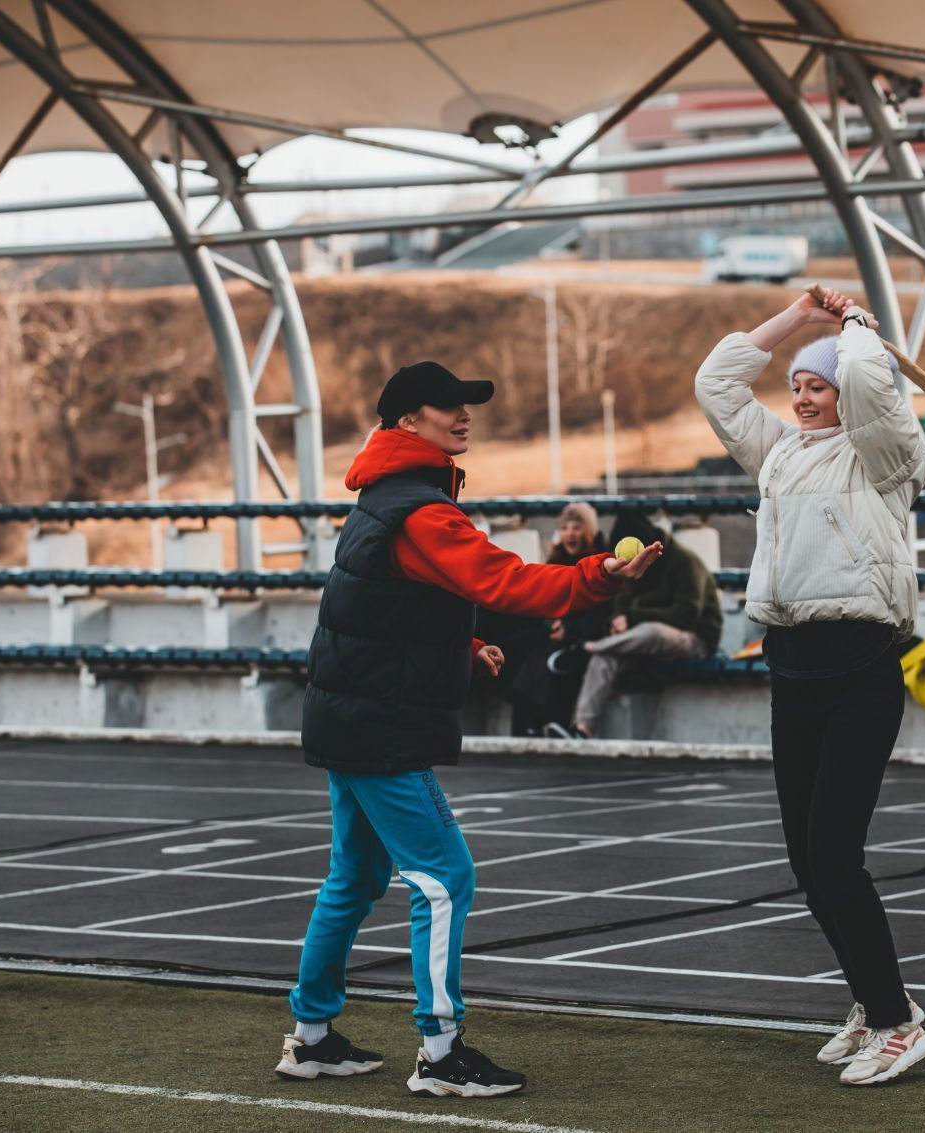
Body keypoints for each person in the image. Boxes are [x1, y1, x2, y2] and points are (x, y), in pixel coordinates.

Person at [278, 360, 662, 1096]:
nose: (463, 415)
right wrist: (600, 577)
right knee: (446, 878)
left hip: (349, 715)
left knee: (354, 878)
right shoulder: (421, 510)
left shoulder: (382, 499)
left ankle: (313, 1037)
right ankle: (441, 1052)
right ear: (406, 421)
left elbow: (380, 607)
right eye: (446, 404)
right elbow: (506, 581)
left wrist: (462, 645)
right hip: (381, 725)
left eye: (467, 404)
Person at [694, 289, 925, 1087]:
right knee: (807, 861)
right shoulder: (779, 453)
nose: (801, 398)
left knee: (835, 856)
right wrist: (799, 318)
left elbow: (870, 384)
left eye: (817, 386)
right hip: (791, 667)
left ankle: (898, 1024)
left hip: (861, 668)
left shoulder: (885, 455)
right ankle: (874, 998)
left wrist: (857, 325)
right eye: (796, 385)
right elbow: (716, 382)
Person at [565, 508, 724, 738]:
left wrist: (633, 618)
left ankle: (588, 647)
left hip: (694, 639)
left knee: (652, 632)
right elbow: (621, 602)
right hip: (639, 642)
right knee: (605, 658)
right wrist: (618, 620)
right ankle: (582, 728)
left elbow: (687, 615)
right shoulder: (630, 565)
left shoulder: (685, 562)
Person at [506, 502, 614, 736]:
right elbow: (542, 597)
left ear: (588, 531)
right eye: (565, 528)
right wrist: (551, 623)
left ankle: (550, 724)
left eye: (576, 527)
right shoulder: (556, 559)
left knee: (550, 662)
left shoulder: (599, 562)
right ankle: (527, 728)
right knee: (520, 647)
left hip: (584, 637)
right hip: (556, 632)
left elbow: (601, 609)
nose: (570, 534)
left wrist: (568, 629)